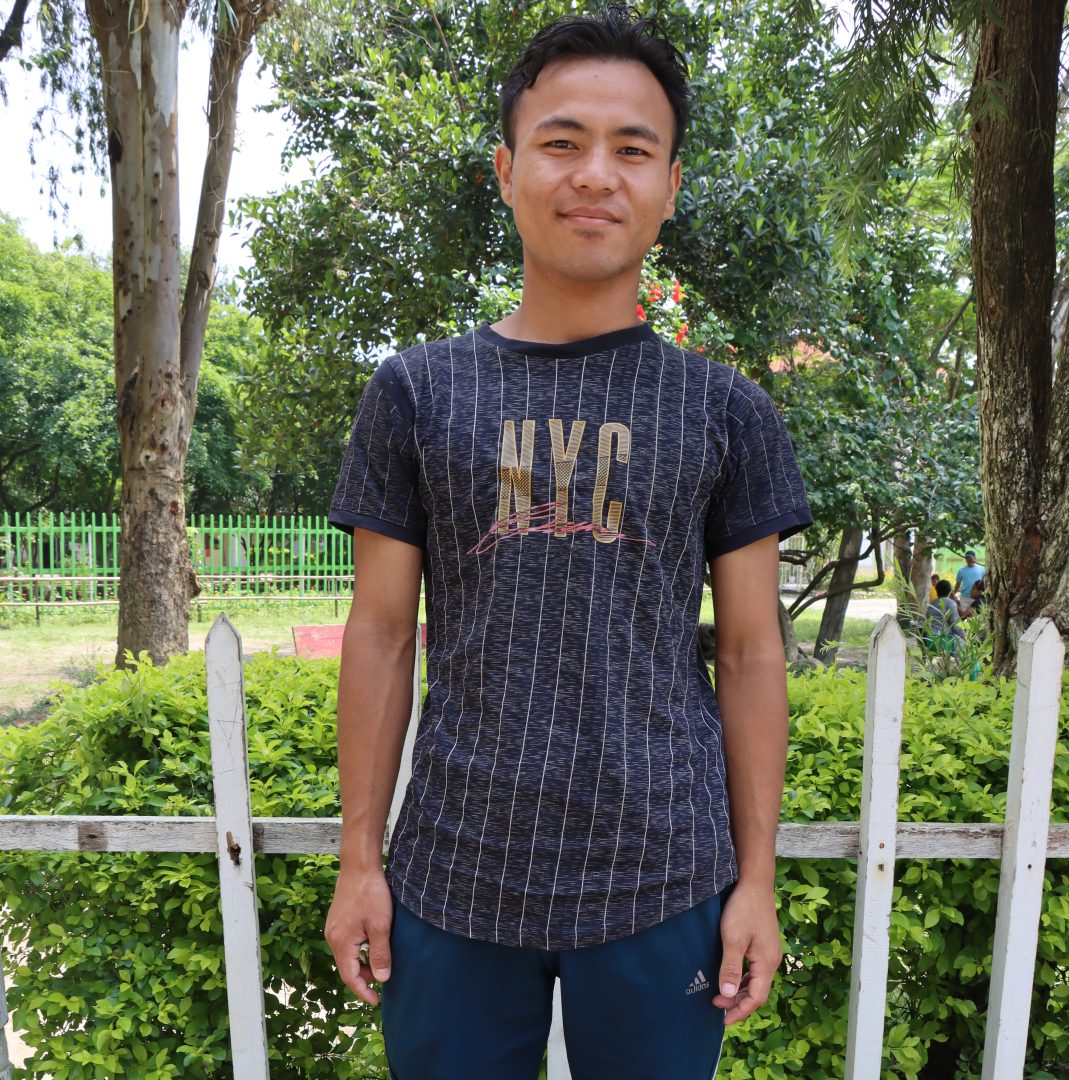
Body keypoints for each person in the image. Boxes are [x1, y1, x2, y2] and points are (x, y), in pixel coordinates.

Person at [323, 9, 813, 1078]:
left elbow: (750, 654)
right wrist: (360, 860)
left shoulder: (726, 411)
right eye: (561, 141)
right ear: (507, 170)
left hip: (665, 881)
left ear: (669, 186)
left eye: (632, 149)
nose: (595, 174)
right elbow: (381, 634)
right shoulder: (415, 393)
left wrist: (757, 882)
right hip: (451, 874)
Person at [926, 580, 967, 650]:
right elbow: (955, 625)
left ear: (936, 591)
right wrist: (965, 637)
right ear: (949, 591)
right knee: (964, 645)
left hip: (930, 641)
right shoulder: (950, 603)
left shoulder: (931, 605)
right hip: (944, 641)